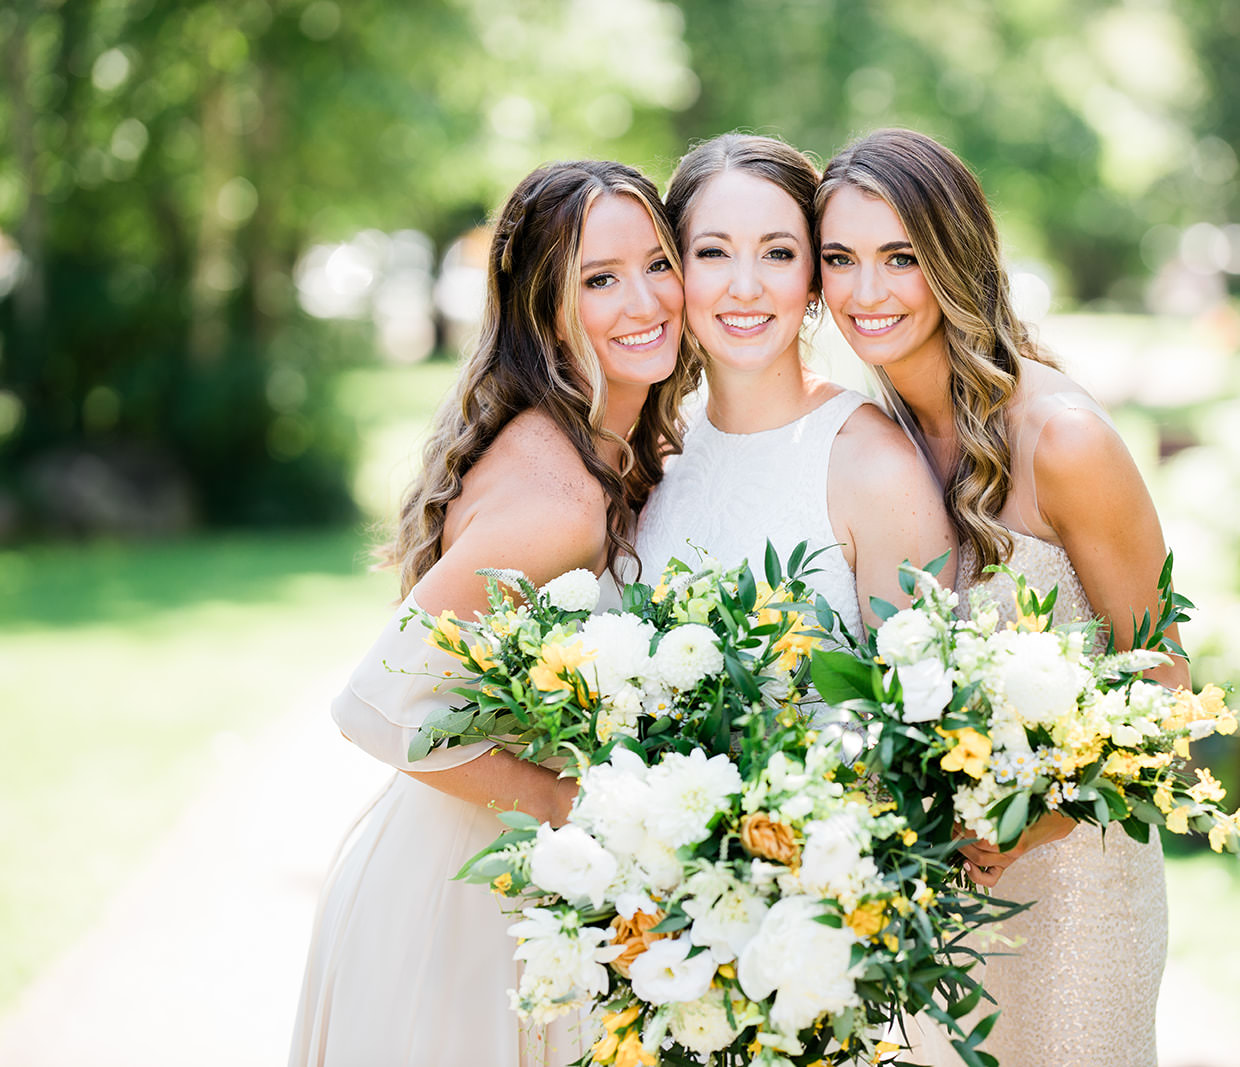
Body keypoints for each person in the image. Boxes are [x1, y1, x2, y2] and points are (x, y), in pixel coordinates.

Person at [290, 160, 695, 1066]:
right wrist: (576, 803)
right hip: (456, 908)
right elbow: (376, 704)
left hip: (507, 886)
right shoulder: (561, 498)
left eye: (658, 264)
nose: (644, 300)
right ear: (545, 311)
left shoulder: (610, 446)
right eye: (599, 279)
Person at [817, 127, 1189, 1067]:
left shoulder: (1063, 439)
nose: (867, 292)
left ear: (955, 257)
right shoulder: (873, 438)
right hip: (930, 900)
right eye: (840, 259)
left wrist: (1029, 822)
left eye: (900, 257)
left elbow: (1169, 685)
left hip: (1076, 895)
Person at [634, 133, 951, 636]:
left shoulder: (878, 469)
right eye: (713, 252)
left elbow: (916, 705)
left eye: (777, 254)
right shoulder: (660, 447)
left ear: (814, 278)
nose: (744, 287)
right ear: (677, 270)